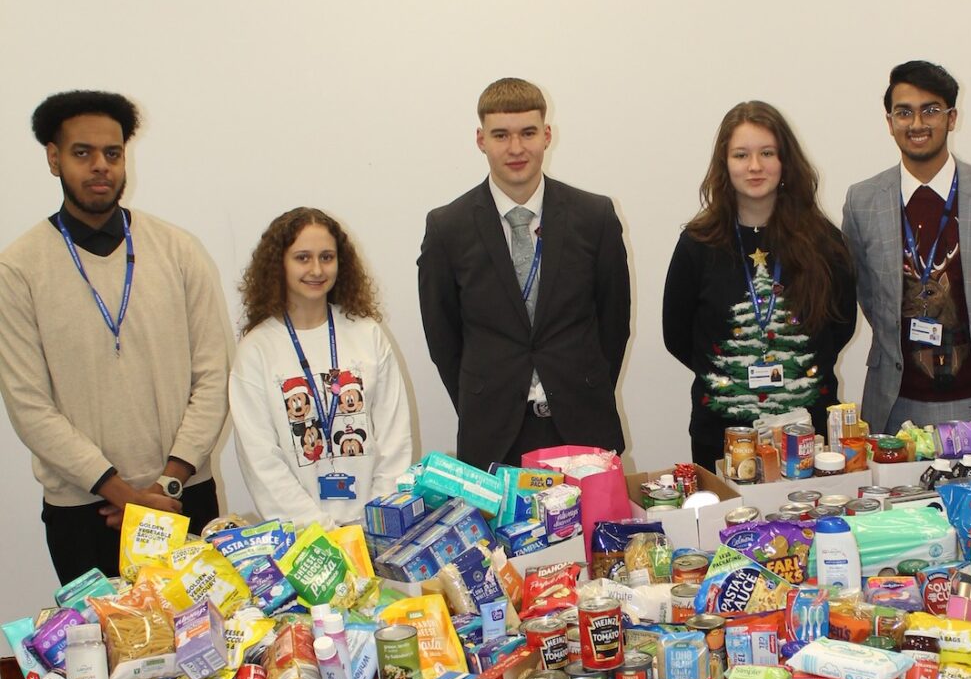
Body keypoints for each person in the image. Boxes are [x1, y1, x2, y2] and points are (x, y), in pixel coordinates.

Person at [0, 89, 231, 584]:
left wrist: (167, 485)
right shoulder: (18, 269)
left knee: (215, 648)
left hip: (183, 492)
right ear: (54, 158)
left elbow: (214, 376)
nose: (100, 166)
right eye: (82, 153)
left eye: (113, 153)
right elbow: (29, 406)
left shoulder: (179, 251)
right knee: (100, 653)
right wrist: (123, 495)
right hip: (84, 509)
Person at [418, 77, 631, 466]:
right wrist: (483, 395)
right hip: (493, 436)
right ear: (481, 140)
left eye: (528, 133)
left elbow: (614, 325)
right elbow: (442, 339)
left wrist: (582, 387)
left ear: (547, 135)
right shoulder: (447, 227)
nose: (516, 148)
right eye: (501, 135)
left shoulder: (594, 217)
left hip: (583, 427)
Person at [842, 59, 971, 433]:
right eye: (904, 112)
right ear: (889, 122)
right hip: (894, 406)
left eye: (930, 110)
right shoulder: (862, 201)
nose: (917, 124)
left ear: (952, 118)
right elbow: (868, 297)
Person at [662, 103, 856, 469]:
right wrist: (731, 380)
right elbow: (677, 335)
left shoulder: (825, 242)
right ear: (725, 163)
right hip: (720, 436)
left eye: (767, 153)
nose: (754, 166)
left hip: (809, 435)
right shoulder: (697, 244)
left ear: (785, 161)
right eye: (741, 155)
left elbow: (840, 326)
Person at [230, 208, 412, 527]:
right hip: (303, 538)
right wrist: (321, 530)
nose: (316, 269)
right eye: (302, 257)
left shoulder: (367, 334)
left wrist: (378, 521)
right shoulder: (256, 350)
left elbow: (395, 439)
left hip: (375, 528)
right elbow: (260, 461)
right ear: (279, 264)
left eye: (326, 257)